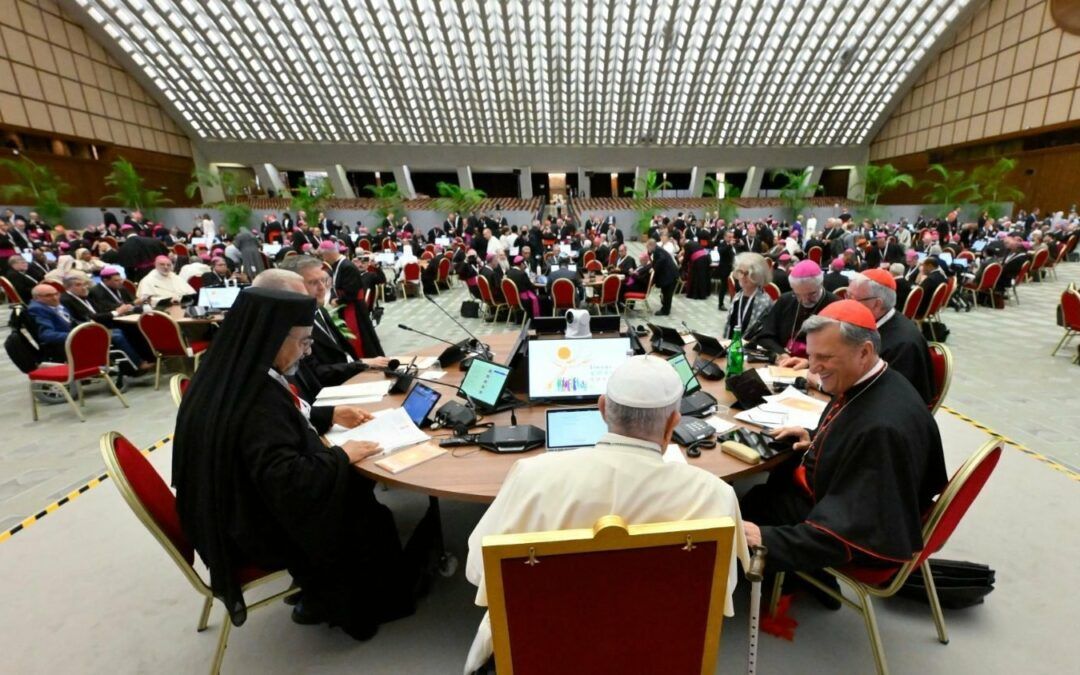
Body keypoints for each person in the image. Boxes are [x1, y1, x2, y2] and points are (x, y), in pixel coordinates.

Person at [464, 355, 748, 673]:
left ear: (602, 409)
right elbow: (716, 597)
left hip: (544, 656)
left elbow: (478, 572)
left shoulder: (530, 476)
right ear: (673, 424)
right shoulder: (714, 494)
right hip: (659, 657)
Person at [173, 287, 422, 642]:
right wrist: (342, 455)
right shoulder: (257, 400)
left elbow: (273, 432)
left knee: (358, 492)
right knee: (365, 510)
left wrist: (327, 415)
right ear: (272, 336)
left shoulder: (228, 371)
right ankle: (360, 605)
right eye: (304, 342)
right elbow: (288, 481)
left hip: (226, 509)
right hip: (256, 528)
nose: (307, 353)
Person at [740, 300, 947, 573]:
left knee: (750, 503)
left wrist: (765, 539)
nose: (813, 368)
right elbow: (851, 427)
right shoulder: (880, 379)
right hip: (837, 494)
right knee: (767, 486)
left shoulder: (881, 430)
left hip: (856, 539)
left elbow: (849, 532)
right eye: (811, 355)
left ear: (864, 352)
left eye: (824, 357)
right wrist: (815, 436)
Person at [781, 270, 934, 405]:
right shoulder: (870, 325)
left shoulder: (902, 344)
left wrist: (821, 383)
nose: (846, 302)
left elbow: (876, 397)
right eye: (846, 295)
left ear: (877, 304)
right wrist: (812, 361)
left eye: (853, 298)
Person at [59, 272, 150, 370]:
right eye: (78, 285)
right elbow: (89, 317)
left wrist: (118, 311)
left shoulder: (83, 295)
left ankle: (148, 356)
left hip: (100, 324)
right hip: (87, 329)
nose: (84, 287)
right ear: (67, 287)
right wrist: (115, 313)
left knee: (132, 326)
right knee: (118, 334)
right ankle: (137, 363)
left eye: (84, 284)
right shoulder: (66, 300)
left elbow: (100, 310)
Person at [751, 260, 838, 357]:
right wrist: (781, 354)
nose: (805, 300)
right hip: (782, 364)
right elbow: (765, 336)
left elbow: (838, 349)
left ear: (821, 283)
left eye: (812, 294)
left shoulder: (835, 304)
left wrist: (809, 362)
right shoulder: (785, 300)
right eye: (798, 295)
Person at [724, 252, 774, 339]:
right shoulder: (738, 296)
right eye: (740, 272)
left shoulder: (764, 302)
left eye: (747, 273)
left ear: (758, 276)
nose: (742, 277)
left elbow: (761, 335)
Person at [646, 238, 679, 315]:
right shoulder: (657, 250)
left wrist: (654, 268)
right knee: (665, 292)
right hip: (669, 274)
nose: (647, 249)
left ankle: (665, 310)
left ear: (651, 245)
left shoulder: (658, 251)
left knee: (667, 293)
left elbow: (662, 259)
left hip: (670, 275)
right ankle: (665, 308)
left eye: (648, 247)